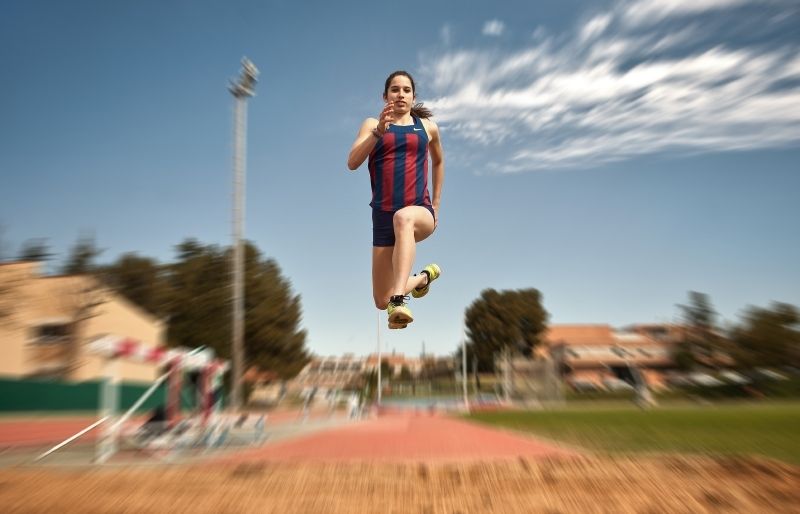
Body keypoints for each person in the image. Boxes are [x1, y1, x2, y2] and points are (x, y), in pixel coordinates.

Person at [347, 70, 444, 329]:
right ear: (385, 96)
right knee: (380, 300)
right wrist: (379, 131)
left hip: (419, 212)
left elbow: (439, 161)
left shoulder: (427, 128)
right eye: (395, 89)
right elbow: (352, 162)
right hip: (382, 217)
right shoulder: (371, 125)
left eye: (406, 90)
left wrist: (435, 203)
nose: (400, 94)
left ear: (413, 97)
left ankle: (399, 300)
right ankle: (423, 278)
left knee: (403, 217)